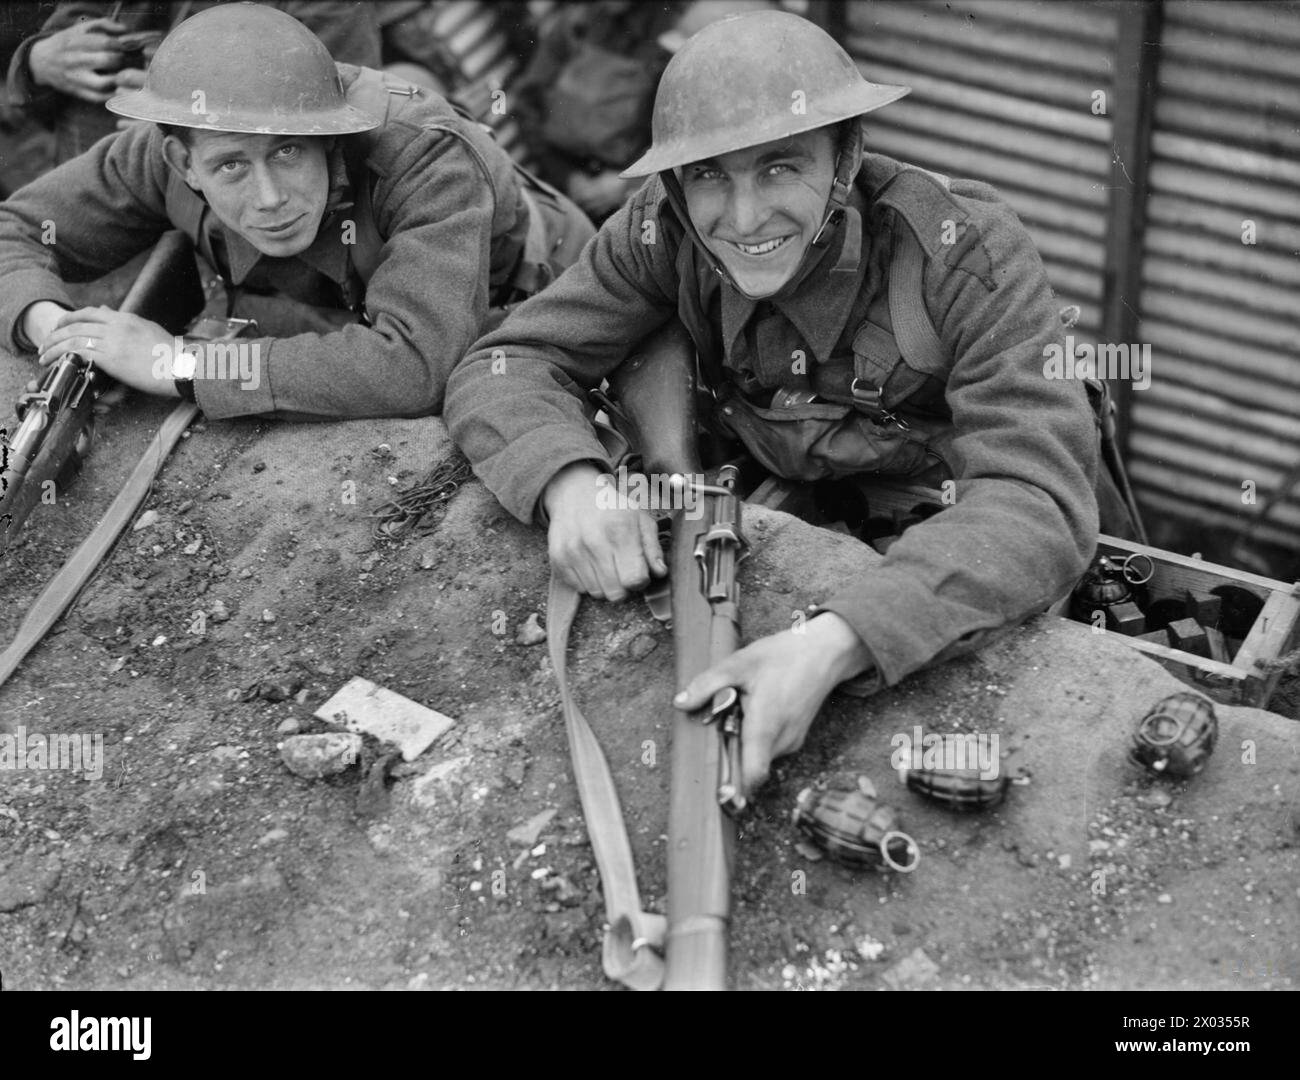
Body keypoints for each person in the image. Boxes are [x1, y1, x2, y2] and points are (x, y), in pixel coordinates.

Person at [444, 11, 1106, 796]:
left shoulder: (963, 252)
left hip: (947, 519)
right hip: (773, 486)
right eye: (711, 175)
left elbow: (1038, 499)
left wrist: (834, 643)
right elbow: (507, 361)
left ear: (844, 158)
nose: (746, 217)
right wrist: (567, 480)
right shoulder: (661, 232)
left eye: (780, 167)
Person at [0, 3, 593, 421]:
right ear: (183, 163)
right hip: (336, 300)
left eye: (287, 152)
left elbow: (416, 366)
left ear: (329, 140)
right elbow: (16, 228)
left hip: (526, 283)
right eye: (231, 166)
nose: (269, 198)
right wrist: (54, 327)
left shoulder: (424, 155)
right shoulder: (162, 148)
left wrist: (175, 360)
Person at [5, 1, 381, 169]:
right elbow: (30, 106)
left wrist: (191, 124)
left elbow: (341, 123)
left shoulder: (333, 7)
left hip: (225, 214)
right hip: (96, 198)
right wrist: (38, 59)